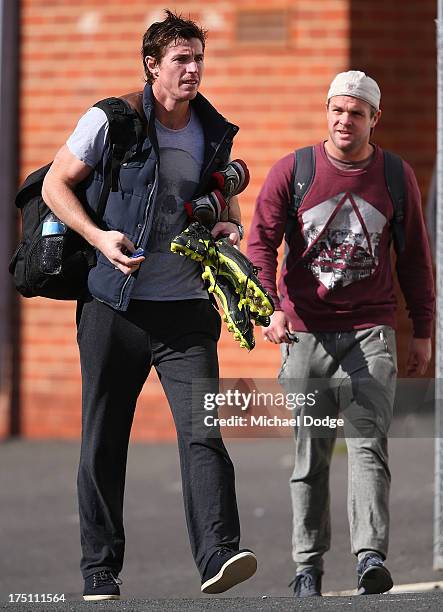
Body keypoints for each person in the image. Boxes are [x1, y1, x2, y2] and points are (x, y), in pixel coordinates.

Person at [42, 10, 257, 601]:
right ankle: (99, 570)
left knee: (203, 432)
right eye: (181, 59)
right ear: (152, 66)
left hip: (186, 309)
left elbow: (225, 207)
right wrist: (98, 237)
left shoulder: (213, 132)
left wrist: (227, 231)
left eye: (198, 58)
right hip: (115, 306)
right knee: (105, 439)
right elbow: (54, 185)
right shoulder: (112, 120)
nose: (193, 69)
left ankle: (219, 552)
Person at [247, 70, 435, 596]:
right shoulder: (294, 170)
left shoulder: (395, 176)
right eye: (337, 110)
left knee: (368, 445)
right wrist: (270, 308)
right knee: (311, 453)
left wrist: (422, 330)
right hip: (304, 333)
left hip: (370, 332)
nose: (344, 120)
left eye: (356, 113)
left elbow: (417, 259)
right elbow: (260, 243)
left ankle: (370, 556)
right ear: (326, 111)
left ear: (375, 118)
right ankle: (307, 565)